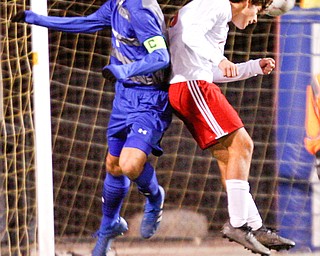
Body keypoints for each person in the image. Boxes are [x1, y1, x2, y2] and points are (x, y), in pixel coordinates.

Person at [11, 1, 172, 255]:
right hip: (124, 96)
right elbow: (87, 23)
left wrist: (124, 69)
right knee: (113, 164)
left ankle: (154, 196)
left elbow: (161, 57)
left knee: (130, 165)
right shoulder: (117, 4)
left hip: (148, 98)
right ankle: (110, 225)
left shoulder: (140, 11)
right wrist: (37, 19)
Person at [167, 0, 295, 255]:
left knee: (229, 159)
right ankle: (238, 225)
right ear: (247, 2)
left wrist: (251, 67)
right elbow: (191, 36)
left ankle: (255, 226)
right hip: (192, 86)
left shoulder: (218, 17)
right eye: (257, 11)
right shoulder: (216, 3)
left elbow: (211, 69)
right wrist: (221, 58)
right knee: (243, 145)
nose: (256, 19)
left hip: (191, 84)